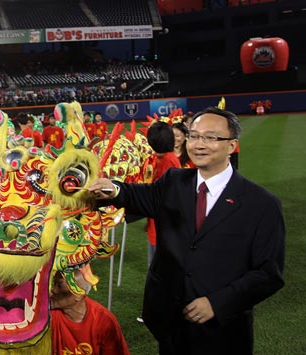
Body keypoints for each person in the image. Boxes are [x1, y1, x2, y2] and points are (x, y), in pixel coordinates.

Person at [89, 107, 285, 355]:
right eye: (194, 136)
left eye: (210, 137)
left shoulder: (262, 204)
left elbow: (269, 273)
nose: (199, 144)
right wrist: (114, 189)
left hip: (222, 330)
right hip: (170, 322)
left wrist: (217, 303)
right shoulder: (174, 181)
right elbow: (140, 196)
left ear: (232, 145)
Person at [50, 270, 130, 355]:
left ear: (79, 294)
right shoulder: (48, 315)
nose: (53, 290)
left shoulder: (104, 321)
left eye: (60, 285)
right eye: (54, 283)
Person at [145, 121, 181, 265]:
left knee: (159, 267)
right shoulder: (161, 159)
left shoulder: (168, 161)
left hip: (163, 225)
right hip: (156, 222)